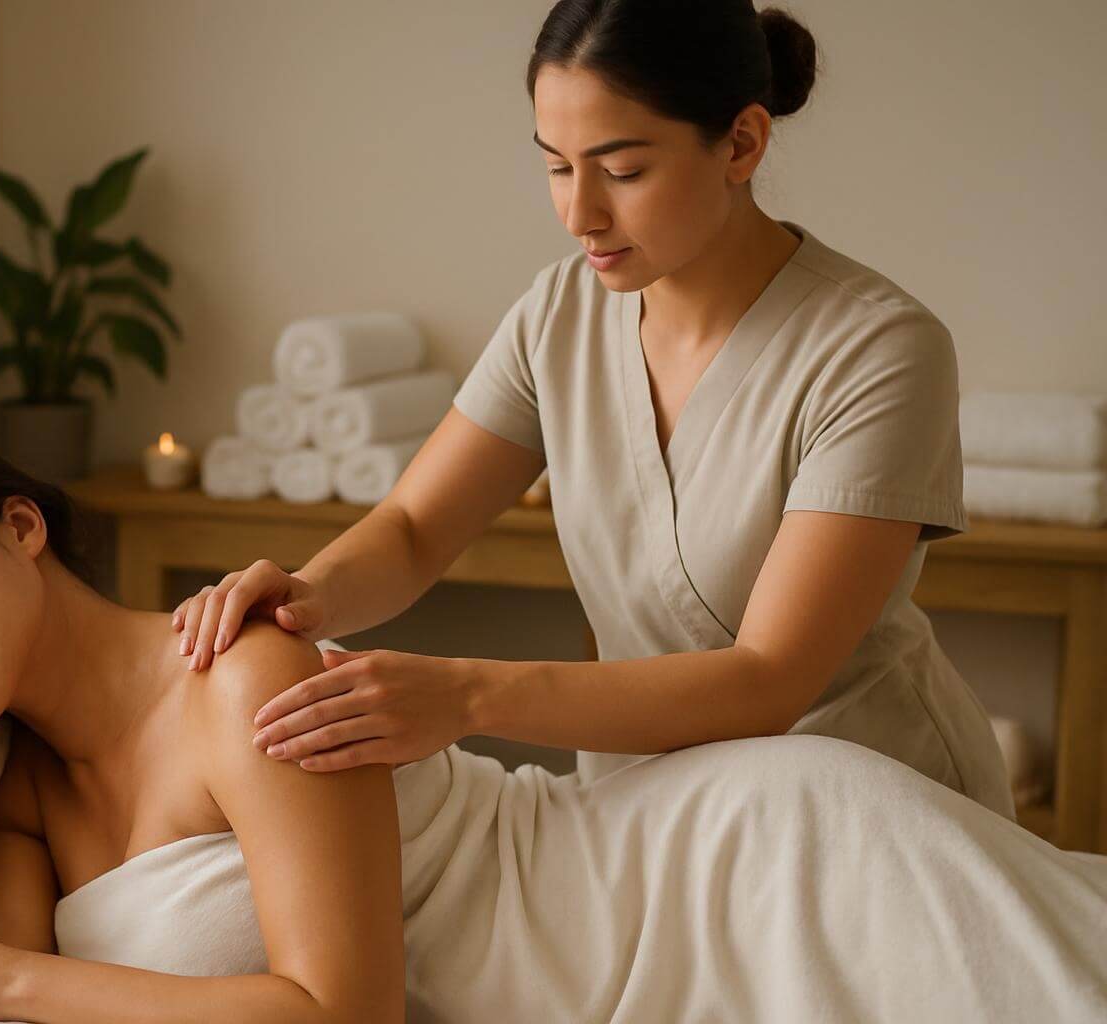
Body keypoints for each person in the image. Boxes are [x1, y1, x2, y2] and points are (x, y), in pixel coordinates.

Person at [0, 423, 1107, 1024]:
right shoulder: (24, 797)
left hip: (739, 879)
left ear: (20, 525)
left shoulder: (241, 676)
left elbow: (338, 1016)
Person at [176, 0, 1013, 820]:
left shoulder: (879, 349)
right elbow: (414, 529)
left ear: (742, 143)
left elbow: (768, 678)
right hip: (650, 816)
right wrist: (305, 594)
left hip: (868, 808)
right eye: (555, 165)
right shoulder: (560, 316)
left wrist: (467, 695)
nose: (581, 214)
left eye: (623, 171)